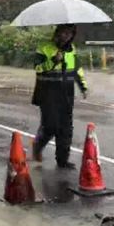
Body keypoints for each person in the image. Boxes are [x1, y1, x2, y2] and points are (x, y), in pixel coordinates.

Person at [31, 24, 88, 169]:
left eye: (70, 34)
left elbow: (76, 70)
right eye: (64, 33)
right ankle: (38, 146)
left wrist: (83, 86)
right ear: (57, 33)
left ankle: (63, 160)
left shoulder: (72, 49)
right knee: (50, 126)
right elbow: (38, 68)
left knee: (65, 128)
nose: (66, 36)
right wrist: (53, 61)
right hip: (47, 92)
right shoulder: (44, 47)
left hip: (66, 93)